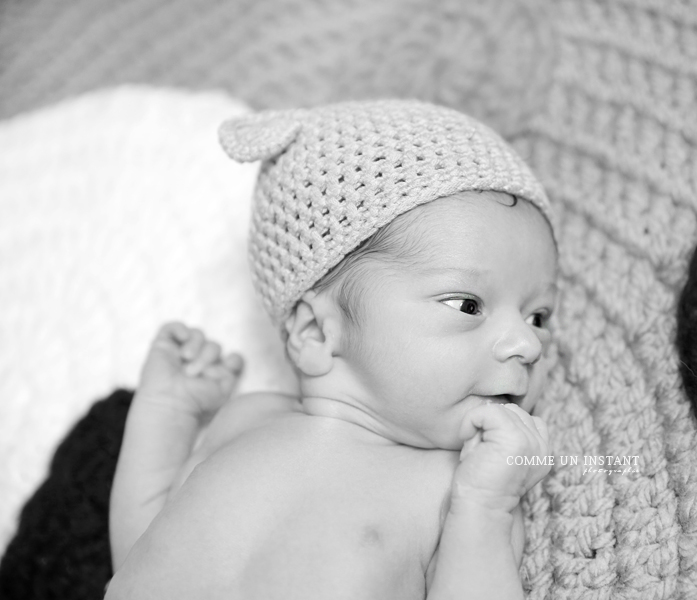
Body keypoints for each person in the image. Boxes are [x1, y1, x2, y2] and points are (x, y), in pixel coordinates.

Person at [105, 99, 559, 599]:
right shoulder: (245, 420)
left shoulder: (458, 488)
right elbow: (139, 553)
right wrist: (166, 413)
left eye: (539, 316)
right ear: (316, 334)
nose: (527, 343)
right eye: (467, 304)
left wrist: (487, 509)